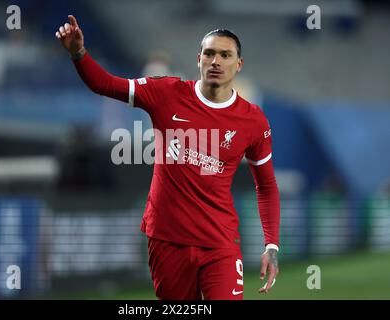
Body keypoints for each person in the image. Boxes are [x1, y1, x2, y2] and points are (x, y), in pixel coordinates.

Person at [56, 15, 280, 300]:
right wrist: (78, 53)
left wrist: (272, 245)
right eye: (210, 53)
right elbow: (106, 84)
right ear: (198, 59)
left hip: (220, 244)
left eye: (225, 55)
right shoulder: (166, 93)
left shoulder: (253, 120)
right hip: (167, 241)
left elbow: (267, 186)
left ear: (238, 64)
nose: (216, 61)